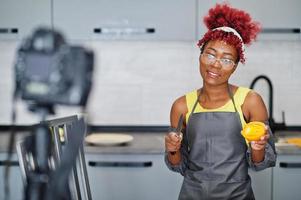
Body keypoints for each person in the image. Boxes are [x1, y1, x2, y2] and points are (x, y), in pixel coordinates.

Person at [164, 3, 276, 200]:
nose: (216, 64)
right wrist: (173, 151)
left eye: (226, 59)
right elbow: (178, 165)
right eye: (210, 54)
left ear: (234, 68)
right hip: (192, 194)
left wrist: (257, 149)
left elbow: (261, 163)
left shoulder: (250, 101)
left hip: (237, 195)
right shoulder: (182, 105)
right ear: (200, 55)